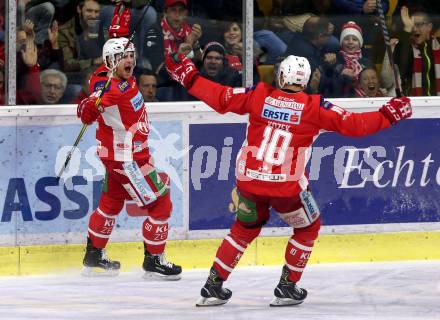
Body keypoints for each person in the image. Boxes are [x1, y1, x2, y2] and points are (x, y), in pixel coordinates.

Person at [165, 53, 412, 306]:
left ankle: (213, 284)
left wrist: (190, 77)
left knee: (244, 228)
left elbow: (221, 97)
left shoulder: (258, 95)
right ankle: (287, 286)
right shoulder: (315, 107)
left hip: (249, 182)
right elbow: (356, 125)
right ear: (305, 81)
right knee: (308, 227)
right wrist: (390, 113)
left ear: (281, 75)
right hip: (287, 188)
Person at [76, 37, 182, 279]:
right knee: (161, 203)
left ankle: (94, 257)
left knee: (111, 202)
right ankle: (154, 261)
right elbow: (88, 108)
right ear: (111, 61)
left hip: (119, 157)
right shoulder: (109, 89)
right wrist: (87, 109)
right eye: (124, 57)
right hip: (128, 159)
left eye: (131, 55)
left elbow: (103, 75)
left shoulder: (117, 77)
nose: (130, 61)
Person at [393, 7, 440, 96]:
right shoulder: (405, 46)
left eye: (418, 24)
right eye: (412, 25)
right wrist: (407, 28)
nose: (414, 29)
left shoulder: (438, 45)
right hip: (414, 103)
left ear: (429, 27)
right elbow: (402, 68)